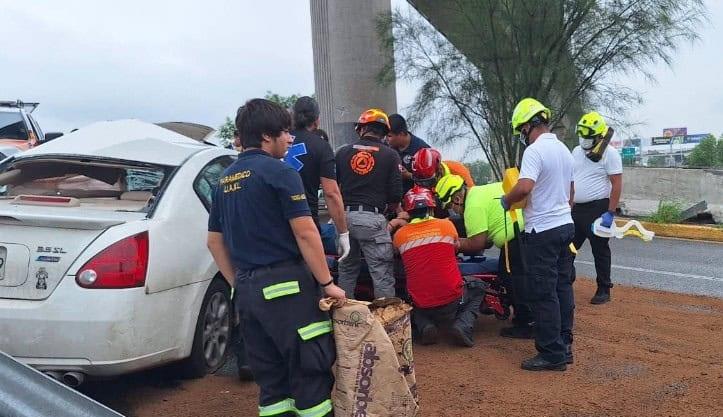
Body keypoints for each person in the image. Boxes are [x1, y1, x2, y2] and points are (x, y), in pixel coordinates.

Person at [207, 98, 345, 417]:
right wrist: (327, 283)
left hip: (248, 294)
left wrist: (238, 284)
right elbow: (306, 233)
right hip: (289, 291)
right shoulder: (281, 173)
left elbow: (214, 242)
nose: (290, 138)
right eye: (284, 132)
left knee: (272, 386)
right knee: (311, 374)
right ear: (267, 136)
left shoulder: (223, 181)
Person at [501, 97, 575, 372]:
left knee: (544, 293)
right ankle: (565, 346)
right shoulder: (564, 150)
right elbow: (572, 193)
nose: (521, 135)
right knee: (562, 287)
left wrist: (507, 200)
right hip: (565, 225)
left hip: (542, 229)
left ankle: (551, 354)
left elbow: (524, 187)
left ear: (528, 126)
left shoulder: (534, 151)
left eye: (521, 130)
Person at [435, 174, 535, 339]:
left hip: (515, 239)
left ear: (458, 197)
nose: (452, 209)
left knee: (514, 280)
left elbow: (477, 244)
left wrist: (453, 242)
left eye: (450, 204)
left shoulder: (472, 207)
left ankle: (527, 323)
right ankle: (524, 317)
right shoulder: (481, 191)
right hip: (527, 231)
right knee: (517, 276)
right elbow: (487, 241)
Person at [392, 186, 484, 347]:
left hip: (422, 303)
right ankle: (463, 325)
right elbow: (455, 247)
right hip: (453, 300)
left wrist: (397, 223)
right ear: (431, 208)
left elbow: (395, 252)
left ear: (408, 211)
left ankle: (425, 325)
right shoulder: (447, 226)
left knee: (407, 298)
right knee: (479, 287)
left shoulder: (400, 235)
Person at [335, 108, 404, 299]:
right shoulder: (390, 155)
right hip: (372, 220)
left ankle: (344, 321)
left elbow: (334, 190)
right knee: (381, 275)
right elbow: (395, 196)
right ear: (383, 132)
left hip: (344, 220)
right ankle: (386, 325)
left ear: (361, 129)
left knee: (347, 271)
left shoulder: (342, 153)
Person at [288, 96, 350, 260]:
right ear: (317, 120)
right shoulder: (320, 146)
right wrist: (343, 232)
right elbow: (331, 193)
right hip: (305, 219)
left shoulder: (278, 142)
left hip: (274, 222)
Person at [572, 111, 622, 304]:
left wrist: (610, 212)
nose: (584, 139)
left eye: (588, 135)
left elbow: (616, 183)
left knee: (600, 249)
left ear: (599, 135)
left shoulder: (610, 154)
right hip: (576, 209)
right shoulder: (576, 151)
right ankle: (566, 280)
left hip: (598, 209)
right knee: (568, 248)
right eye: (582, 134)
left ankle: (604, 288)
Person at [386, 114, 430, 193]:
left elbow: (429, 180)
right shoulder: (386, 147)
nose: (386, 139)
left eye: (389, 136)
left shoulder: (422, 150)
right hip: (393, 198)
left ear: (401, 134)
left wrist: (409, 176)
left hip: (415, 198)